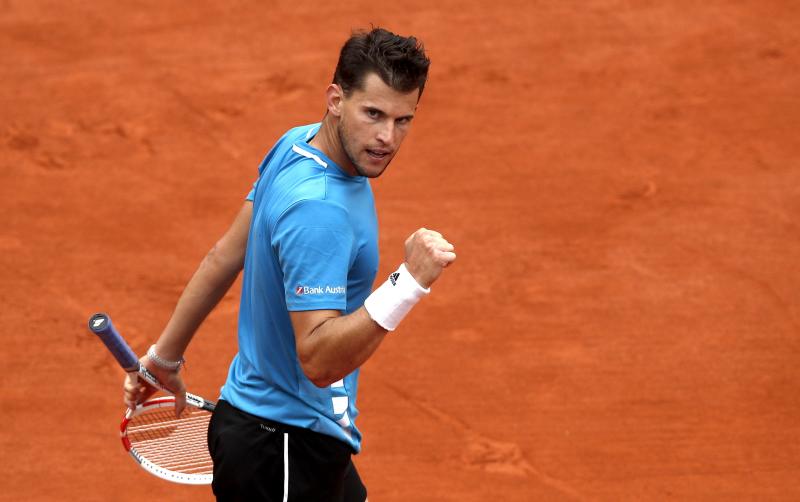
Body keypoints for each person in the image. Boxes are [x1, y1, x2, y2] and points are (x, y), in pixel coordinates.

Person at [123, 27, 456, 501]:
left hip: (288, 432)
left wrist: (162, 358)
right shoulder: (321, 211)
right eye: (374, 114)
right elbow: (318, 360)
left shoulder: (295, 144)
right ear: (336, 99)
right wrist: (408, 284)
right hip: (282, 449)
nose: (387, 137)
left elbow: (226, 253)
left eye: (404, 120)